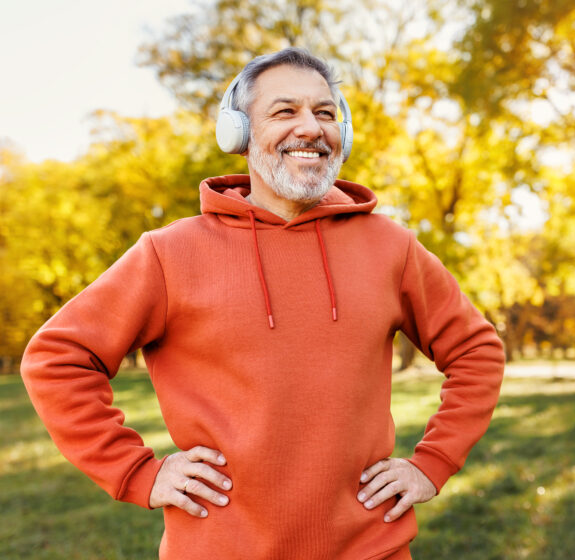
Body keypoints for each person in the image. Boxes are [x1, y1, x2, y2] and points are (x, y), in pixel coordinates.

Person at [20, 47, 505, 560]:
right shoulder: (168, 253)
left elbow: (477, 351)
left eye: (325, 112)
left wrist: (433, 462)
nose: (311, 128)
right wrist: (138, 471)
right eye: (284, 111)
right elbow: (56, 359)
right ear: (239, 133)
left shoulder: (393, 247)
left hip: (373, 550)